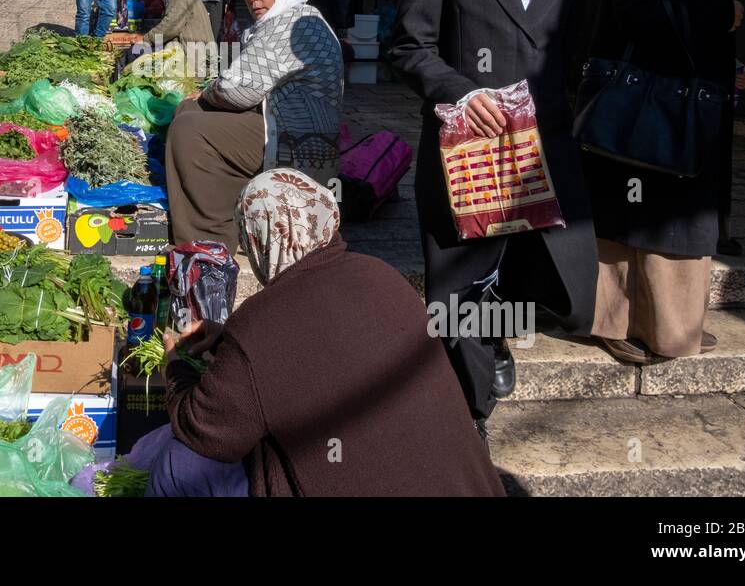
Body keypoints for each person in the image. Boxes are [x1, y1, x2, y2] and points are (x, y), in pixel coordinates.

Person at [390, 0, 602, 432]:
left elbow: (576, 56)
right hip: (468, 158)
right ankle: (469, 428)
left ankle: (496, 337)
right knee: (460, 296)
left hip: (544, 157)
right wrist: (462, 90)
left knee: (548, 281)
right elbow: (408, 47)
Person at [144, 170, 505, 497]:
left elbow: (207, 432)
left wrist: (176, 369)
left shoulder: (261, 321)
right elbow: (326, 353)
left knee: (179, 467)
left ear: (258, 239)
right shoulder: (382, 275)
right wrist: (229, 341)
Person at [584, 0, 743, 365]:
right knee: (651, 213)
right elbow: (635, 9)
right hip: (656, 107)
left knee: (654, 212)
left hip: (669, 104)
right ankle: (629, 325)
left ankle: (659, 326)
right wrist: (721, 17)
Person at [165, 0, 342, 252]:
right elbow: (246, 79)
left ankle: (213, 238)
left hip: (297, 133)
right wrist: (206, 95)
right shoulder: (281, 20)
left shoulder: (295, 22)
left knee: (190, 130)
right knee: (188, 110)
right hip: (276, 114)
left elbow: (238, 89)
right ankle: (232, 211)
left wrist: (208, 92)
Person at [151, 0, 217, 82]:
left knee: (170, 47)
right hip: (204, 56)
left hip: (196, 61)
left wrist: (146, 39)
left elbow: (170, 27)